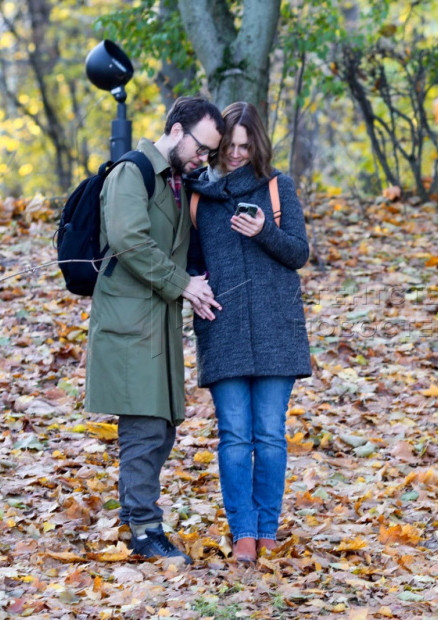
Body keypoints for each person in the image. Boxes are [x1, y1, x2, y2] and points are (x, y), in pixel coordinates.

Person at [85, 96, 224, 564]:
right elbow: (129, 241)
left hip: (156, 320)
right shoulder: (133, 172)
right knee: (144, 429)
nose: (204, 159)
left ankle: (135, 515)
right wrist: (182, 284)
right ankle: (145, 532)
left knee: (162, 428)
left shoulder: (175, 179)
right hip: (129, 321)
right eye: (202, 148)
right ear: (177, 130)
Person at [185, 102, 311, 564]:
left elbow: (299, 253)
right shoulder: (198, 196)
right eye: (230, 147)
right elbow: (190, 263)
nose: (237, 154)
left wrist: (263, 231)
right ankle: (243, 533)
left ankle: (267, 530)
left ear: (257, 144)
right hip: (224, 329)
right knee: (235, 435)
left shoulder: (279, 188)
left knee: (270, 435)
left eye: (245, 145)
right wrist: (192, 287)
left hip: (277, 328)